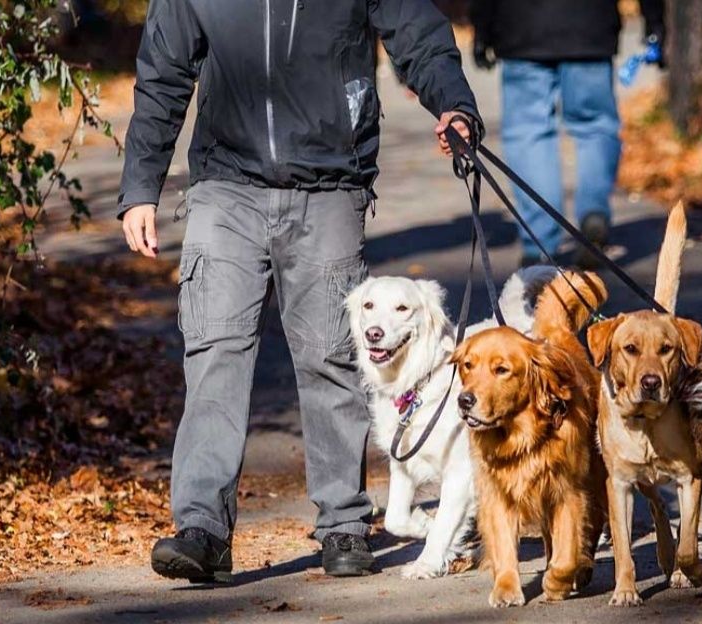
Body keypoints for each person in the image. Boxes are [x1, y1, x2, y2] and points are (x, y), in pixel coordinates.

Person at [118, 0, 479, 582]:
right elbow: (163, 67)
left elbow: (417, 31)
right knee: (213, 353)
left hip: (330, 181)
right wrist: (140, 185)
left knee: (331, 356)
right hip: (224, 186)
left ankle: (343, 523)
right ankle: (201, 528)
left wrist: (455, 107)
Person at [472, 0, 665, 268]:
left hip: (521, 27)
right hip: (590, 25)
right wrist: (654, 20)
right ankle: (594, 212)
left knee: (528, 132)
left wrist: (482, 26)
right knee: (595, 125)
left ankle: (539, 240)